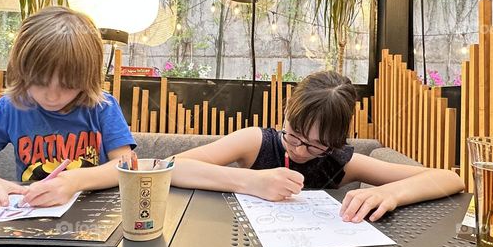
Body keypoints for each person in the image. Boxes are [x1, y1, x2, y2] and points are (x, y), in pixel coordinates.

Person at [170, 70, 465, 223]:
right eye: (294, 135)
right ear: (286, 112)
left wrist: (391, 193)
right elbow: (171, 166)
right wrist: (252, 181)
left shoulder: (341, 162)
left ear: (335, 142)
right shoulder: (255, 141)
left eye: (316, 146)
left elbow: (450, 178)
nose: (299, 150)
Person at [0, 6, 135, 210]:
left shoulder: (102, 106)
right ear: (21, 70)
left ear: (87, 78)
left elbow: (125, 166)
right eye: (39, 81)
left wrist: (75, 181)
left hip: (92, 215)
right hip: (29, 216)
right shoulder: (11, 107)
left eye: (68, 84)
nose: (52, 96)